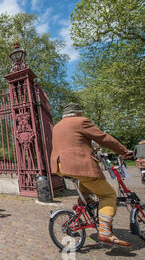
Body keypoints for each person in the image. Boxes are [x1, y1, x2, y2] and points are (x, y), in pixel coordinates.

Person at [51, 102, 135, 247]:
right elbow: (103, 138)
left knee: (87, 186)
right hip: (79, 165)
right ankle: (105, 232)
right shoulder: (81, 121)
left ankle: (84, 203)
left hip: (60, 165)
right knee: (108, 195)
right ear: (78, 113)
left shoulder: (57, 126)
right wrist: (123, 151)